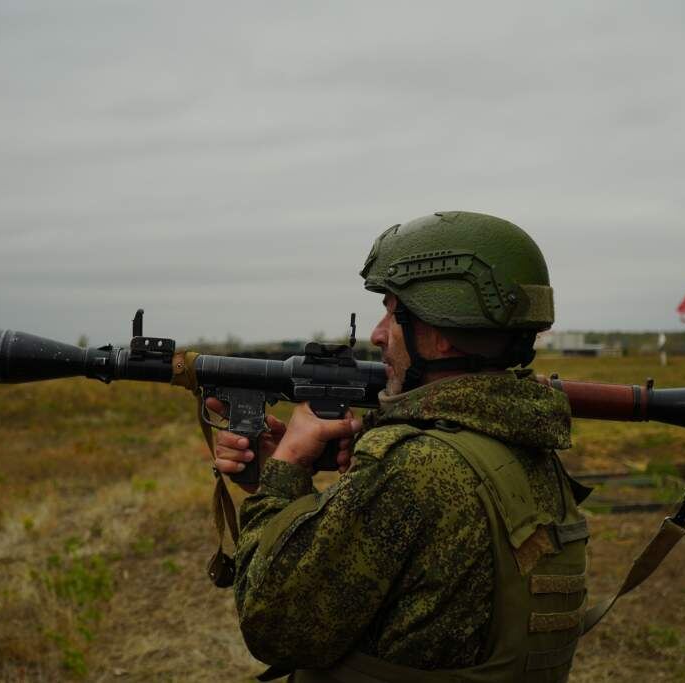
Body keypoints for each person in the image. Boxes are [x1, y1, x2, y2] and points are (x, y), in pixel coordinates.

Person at [207, 211, 589, 682]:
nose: (378, 333)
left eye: (393, 312)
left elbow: (274, 626)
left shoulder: (415, 465)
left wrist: (286, 467)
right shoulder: (518, 442)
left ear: (442, 333)